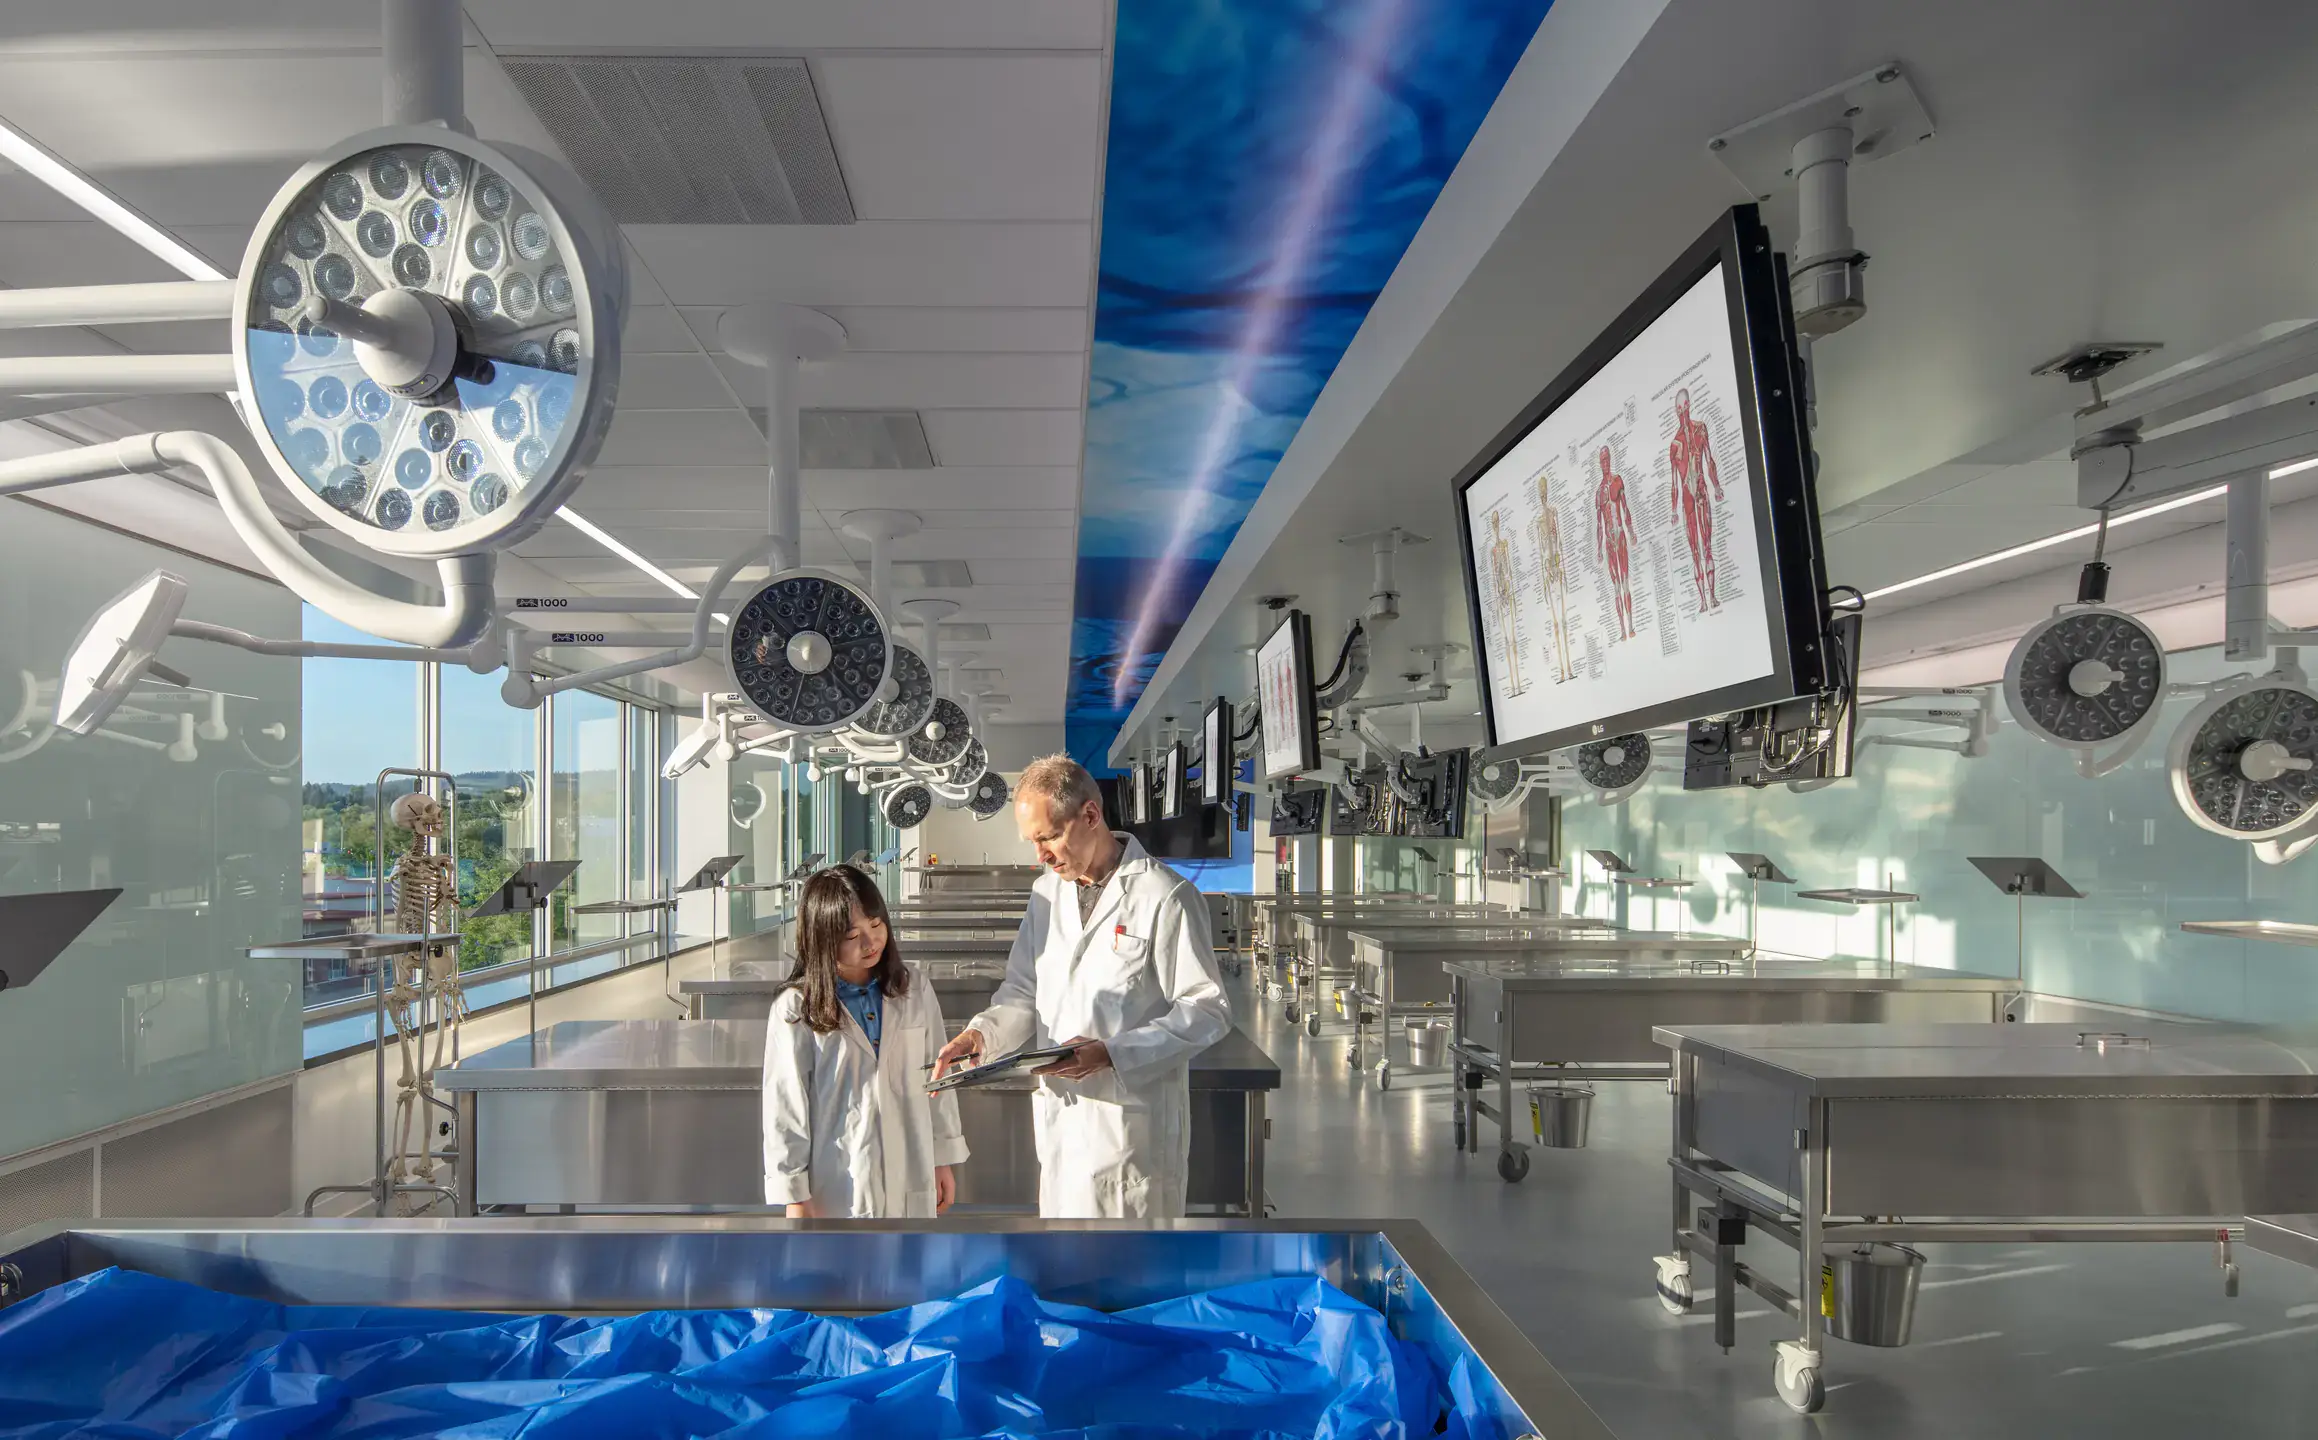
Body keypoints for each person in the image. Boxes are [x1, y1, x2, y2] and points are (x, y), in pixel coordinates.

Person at [932, 754, 1230, 1219]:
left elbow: (1207, 1009)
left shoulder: (1165, 897)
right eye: (1033, 841)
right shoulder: (1047, 895)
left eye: (1048, 836)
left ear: (1090, 815)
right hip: (1062, 1124)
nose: (1041, 855)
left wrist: (1113, 1052)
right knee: (1065, 1267)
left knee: (1131, 1278)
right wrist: (982, 1036)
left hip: (1127, 1128)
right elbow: (1022, 993)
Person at [762, 865, 967, 1218]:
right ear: (821, 938)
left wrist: (942, 1158)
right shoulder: (795, 1008)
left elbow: (939, 1078)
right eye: (851, 935)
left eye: (875, 925)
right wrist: (794, 1194)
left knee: (910, 1266)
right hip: (838, 1179)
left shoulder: (913, 988)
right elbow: (786, 1108)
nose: (870, 943)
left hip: (911, 1164)